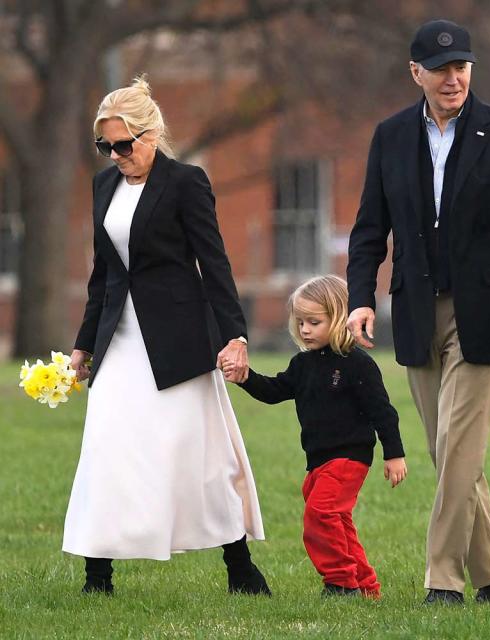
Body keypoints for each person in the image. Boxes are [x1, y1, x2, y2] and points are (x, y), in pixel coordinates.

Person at [346, 19, 490, 605]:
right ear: (416, 74)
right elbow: (369, 229)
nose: (453, 78)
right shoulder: (390, 136)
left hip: (485, 315)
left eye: (462, 67)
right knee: (446, 451)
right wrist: (359, 298)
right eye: (440, 69)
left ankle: (443, 581)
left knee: (459, 448)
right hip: (414, 311)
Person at [66, 75, 269, 595]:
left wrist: (235, 335)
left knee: (201, 455)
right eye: (104, 146)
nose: (114, 155)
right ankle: (97, 575)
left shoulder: (187, 182)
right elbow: (103, 275)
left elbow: (215, 263)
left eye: (123, 144)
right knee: (105, 448)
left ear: (151, 134)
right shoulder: (103, 186)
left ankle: (240, 568)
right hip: (119, 338)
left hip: (178, 340)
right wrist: (84, 344)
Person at [223, 275, 406, 599]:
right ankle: (365, 585)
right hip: (318, 460)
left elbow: (383, 412)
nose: (305, 329)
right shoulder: (302, 364)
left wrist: (394, 454)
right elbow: (274, 391)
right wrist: (246, 378)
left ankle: (341, 583)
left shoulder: (357, 365)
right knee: (339, 522)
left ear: (337, 318)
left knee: (321, 515)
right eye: (300, 321)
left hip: (350, 458)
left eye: (314, 322)